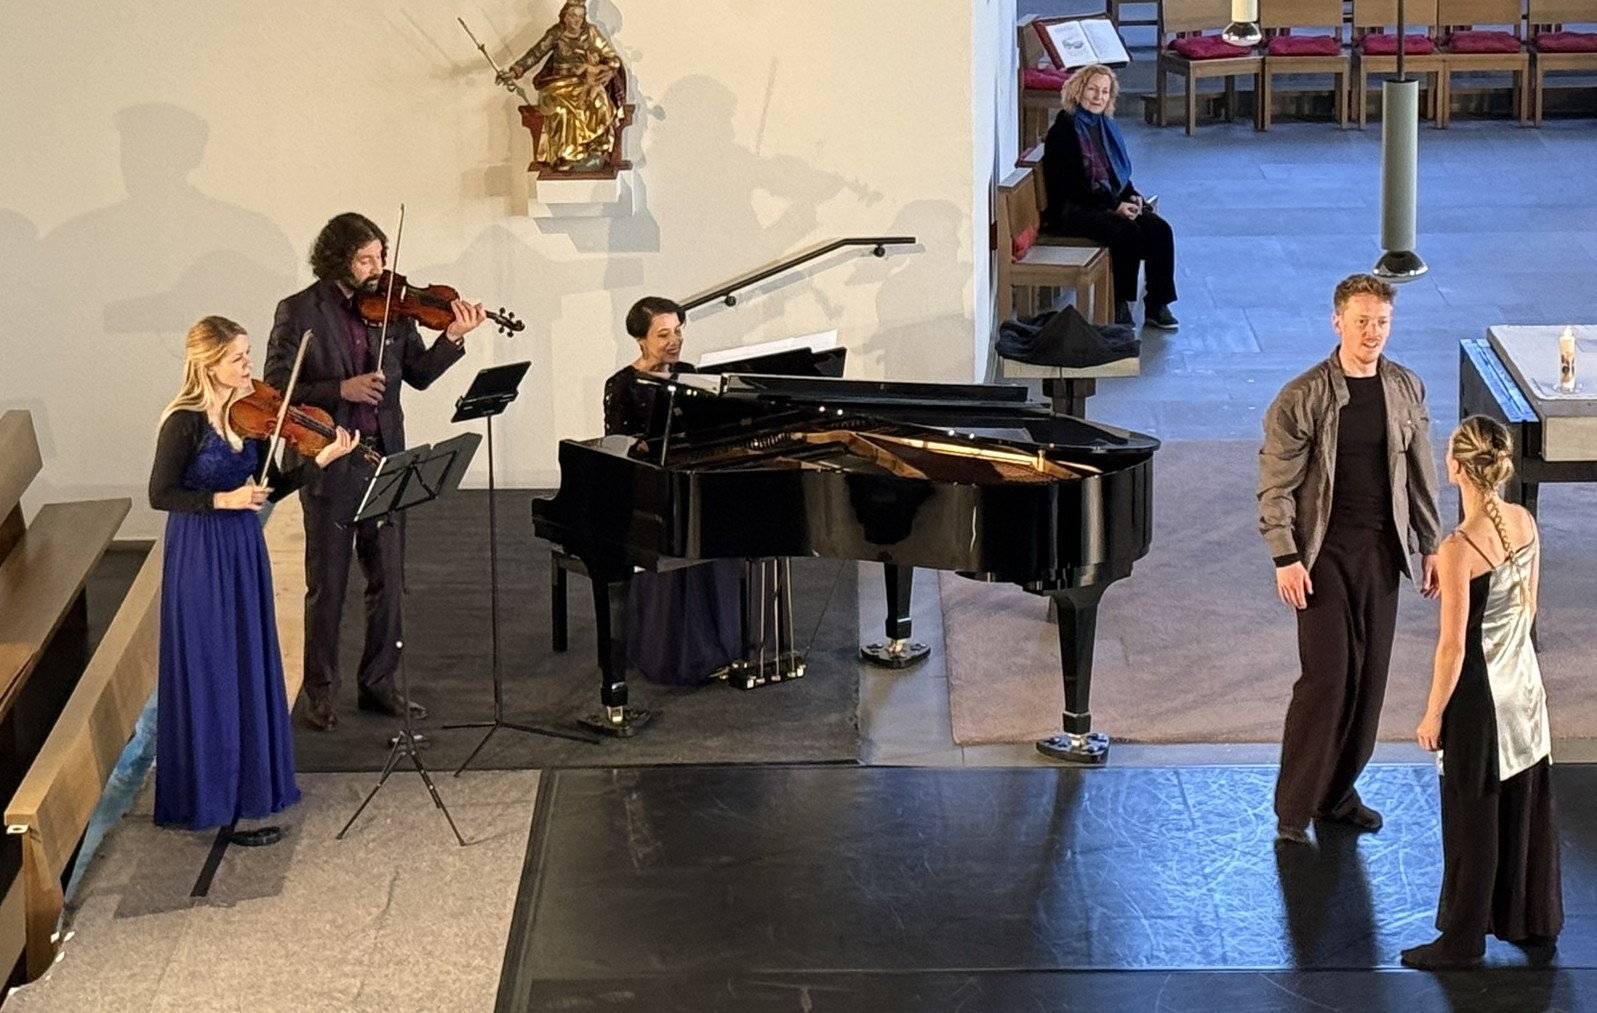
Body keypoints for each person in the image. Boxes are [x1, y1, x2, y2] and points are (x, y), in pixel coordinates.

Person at [265, 212, 485, 731]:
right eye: (365, 259)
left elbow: (419, 375)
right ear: (338, 260)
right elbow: (277, 390)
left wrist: (453, 337)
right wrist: (340, 390)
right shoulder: (300, 310)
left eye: (380, 256)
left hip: (385, 460)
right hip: (329, 462)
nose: (377, 268)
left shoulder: (394, 308)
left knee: (388, 580)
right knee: (328, 585)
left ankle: (379, 684)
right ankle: (321, 692)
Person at [148, 315, 359, 840]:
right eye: (238, 358)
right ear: (208, 365)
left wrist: (321, 459)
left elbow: (275, 485)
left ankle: (249, 787)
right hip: (200, 549)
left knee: (246, 658)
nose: (249, 366)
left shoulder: (252, 417)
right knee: (211, 664)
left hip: (243, 547)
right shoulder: (184, 422)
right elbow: (160, 494)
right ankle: (210, 797)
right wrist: (223, 500)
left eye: (246, 355)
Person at [1259, 273, 1442, 846]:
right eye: (1362, 321)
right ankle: (1294, 810)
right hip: (1322, 558)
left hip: (1380, 555)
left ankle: (1336, 795)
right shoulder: (1303, 397)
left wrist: (1430, 544)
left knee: (1369, 684)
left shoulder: (1406, 387)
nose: (1372, 333)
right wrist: (1285, 556)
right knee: (1328, 679)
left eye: (1382, 322)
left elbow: (1422, 474)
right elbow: (1276, 485)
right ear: (1337, 322)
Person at [1402, 415, 1562, 969]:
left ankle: (1462, 940)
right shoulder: (1522, 520)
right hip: (1525, 688)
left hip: (1480, 699)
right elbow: (1527, 608)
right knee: (1521, 806)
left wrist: (1432, 714)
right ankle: (1531, 921)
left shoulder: (1459, 547)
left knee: (1472, 817)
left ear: (1456, 468)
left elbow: (1453, 649)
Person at [602, 296, 740, 684]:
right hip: (650, 490)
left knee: (720, 525)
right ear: (640, 340)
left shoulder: (690, 374)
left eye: (678, 331)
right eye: (663, 334)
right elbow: (619, 447)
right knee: (679, 531)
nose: (674, 341)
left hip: (690, 479)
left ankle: (724, 644)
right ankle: (679, 653)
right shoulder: (622, 385)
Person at [1040, 63, 1178, 330]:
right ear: (1078, 91)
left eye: (1104, 92)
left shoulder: (1104, 126)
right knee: (1125, 231)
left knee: (1160, 230)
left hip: (1105, 202)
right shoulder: (1064, 130)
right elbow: (1071, 185)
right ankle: (1118, 304)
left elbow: (1115, 175)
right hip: (1073, 209)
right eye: (1092, 89)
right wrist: (1115, 206)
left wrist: (1132, 196)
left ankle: (1157, 305)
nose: (1098, 97)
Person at [497, 0, 624, 173]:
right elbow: (535, 54)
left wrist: (609, 70)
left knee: (599, 100)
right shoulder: (556, 34)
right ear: (564, 16)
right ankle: (568, 155)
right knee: (562, 109)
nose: (576, 21)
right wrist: (514, 72)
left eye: (580, 17)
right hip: (557, 84)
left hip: (583, 83)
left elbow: (612, 57)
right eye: (572, 16)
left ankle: (596, 148)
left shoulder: (591, 33)